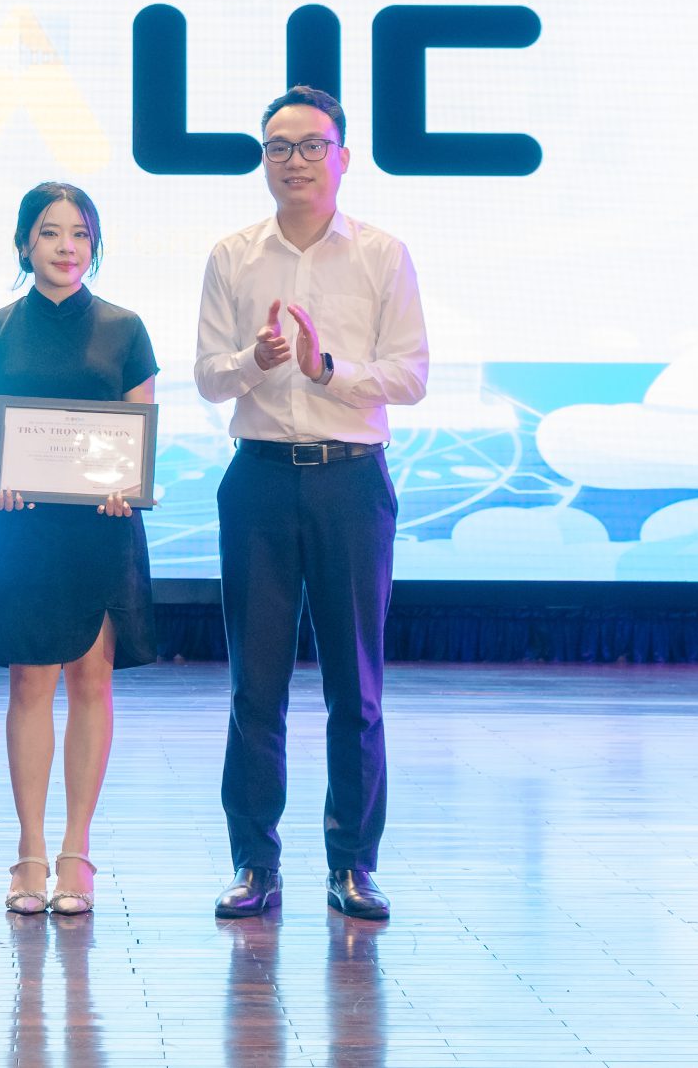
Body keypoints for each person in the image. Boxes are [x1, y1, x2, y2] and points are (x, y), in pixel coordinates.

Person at [193, 86, 429, 923]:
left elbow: (411, 375)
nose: (293, 160)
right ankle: (255, 863)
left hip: (350, 481)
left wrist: (327, 369)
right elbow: (207, 376)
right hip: (258, 478)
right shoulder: (232, 255)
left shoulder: (382, 254)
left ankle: (354, 864)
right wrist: (254, 361)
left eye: (310, 145)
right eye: (278, 146)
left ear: (343, 156)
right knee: (254, 688)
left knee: (354, 689)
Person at [0, 183, 160, 917]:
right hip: (26, 528)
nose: (66, 246)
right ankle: (29, 850)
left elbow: (139, 432)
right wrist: (1, 471)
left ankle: (77, 851)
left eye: (79, 233)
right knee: (28, 684)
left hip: (103, 529)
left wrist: (125, 485)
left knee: (91, 681)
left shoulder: (125, 329)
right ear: (25, 244)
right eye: (49, 232)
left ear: (94, 245)